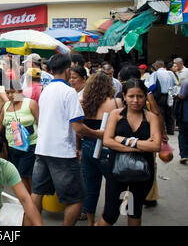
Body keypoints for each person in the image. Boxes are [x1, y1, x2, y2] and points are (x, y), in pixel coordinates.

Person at [31, 54, 104, 226]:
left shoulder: (45, 90)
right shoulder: (69, 92)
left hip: (42, 149)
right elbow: (78, 127)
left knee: (37, 192)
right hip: (62, 152)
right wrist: (98, 134)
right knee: (77, 198)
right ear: (67, 70)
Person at [96, 79, 161, 226]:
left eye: (140, 96)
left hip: (142, 173)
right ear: (124, 96)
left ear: (145, 97)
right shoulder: (116, 114)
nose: (136, 100)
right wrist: (141, 146)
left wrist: (125, 141)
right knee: (111, 213)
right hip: (116, 171)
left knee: (134, 210)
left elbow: (156, 146)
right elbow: (107, 141)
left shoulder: (151, 117)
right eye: (131, 96)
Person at [79, 71, 123, 225]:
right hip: (107, 149)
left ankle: (91, 221)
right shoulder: (116, 103)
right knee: (113, 186)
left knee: (91, 186)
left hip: (87, 146)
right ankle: (105, 218)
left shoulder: (85, 103)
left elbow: (79, 128)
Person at [0, 80, 38, 193]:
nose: (10, 95)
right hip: (13, 147)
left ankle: (32, 204)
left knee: (28, 176)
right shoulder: (6, 105)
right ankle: (29, 203)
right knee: (20, 176)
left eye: (13, 92)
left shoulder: (30, 103)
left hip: (30, 146)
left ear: (21, 91)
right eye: (7, 93)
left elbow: (40, 123)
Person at [148, 60, 177, 135]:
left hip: (159, 96)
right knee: (170, 113)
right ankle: (170, 130)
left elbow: (152, 85)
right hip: (169, 95)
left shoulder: (155, 74)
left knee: (160, 113)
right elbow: (175, 83)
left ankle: (161, 130)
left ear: (156, 66)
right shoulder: (170, 73)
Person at [177, 79, 188, 164]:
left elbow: (182, 96)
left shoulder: (186, 82)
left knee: (183, 134)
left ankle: (184, 155)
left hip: (186, 113)